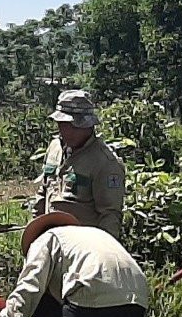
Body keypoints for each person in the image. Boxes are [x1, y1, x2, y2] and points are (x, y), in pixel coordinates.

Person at [0, 211, 149, 317]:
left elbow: (28, 290)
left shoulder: (45, 240)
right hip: (136, 308)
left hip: (91, 301)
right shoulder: (91, 236)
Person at [31, 89, 126, 239]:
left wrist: (101, 253)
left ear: (89, 126)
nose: (67, 132)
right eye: (63, 125)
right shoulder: (55, 148)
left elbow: (110, 216)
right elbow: (43, 192)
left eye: (74, 126)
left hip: (83, 246)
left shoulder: (105, 163)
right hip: (50, 240)